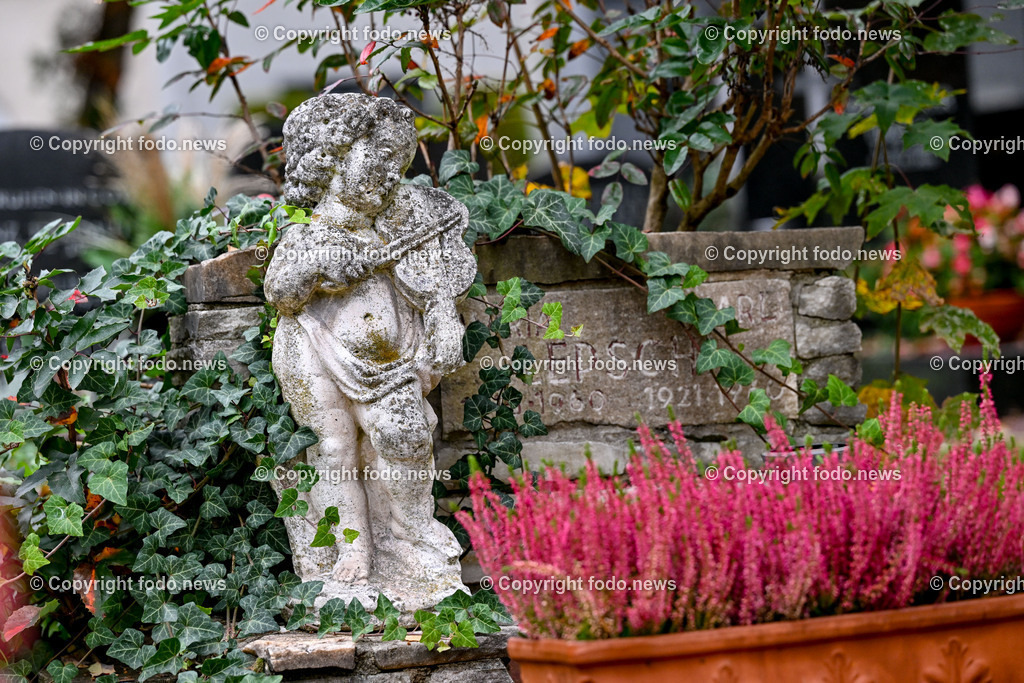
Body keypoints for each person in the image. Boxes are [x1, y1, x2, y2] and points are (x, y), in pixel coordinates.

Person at [264, 94, 475, 610]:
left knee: (404, 434)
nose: (390, 174)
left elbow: (436, 282)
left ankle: (407, 535)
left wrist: (444, 313)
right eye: (378, 160)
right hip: (314, 347)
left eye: (399, 165)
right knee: (333, 450)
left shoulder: (405, 224)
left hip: (388, 363)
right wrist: (319, 268)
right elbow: (280, 291)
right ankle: (352, 553)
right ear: (333, 158)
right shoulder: (307, 236)